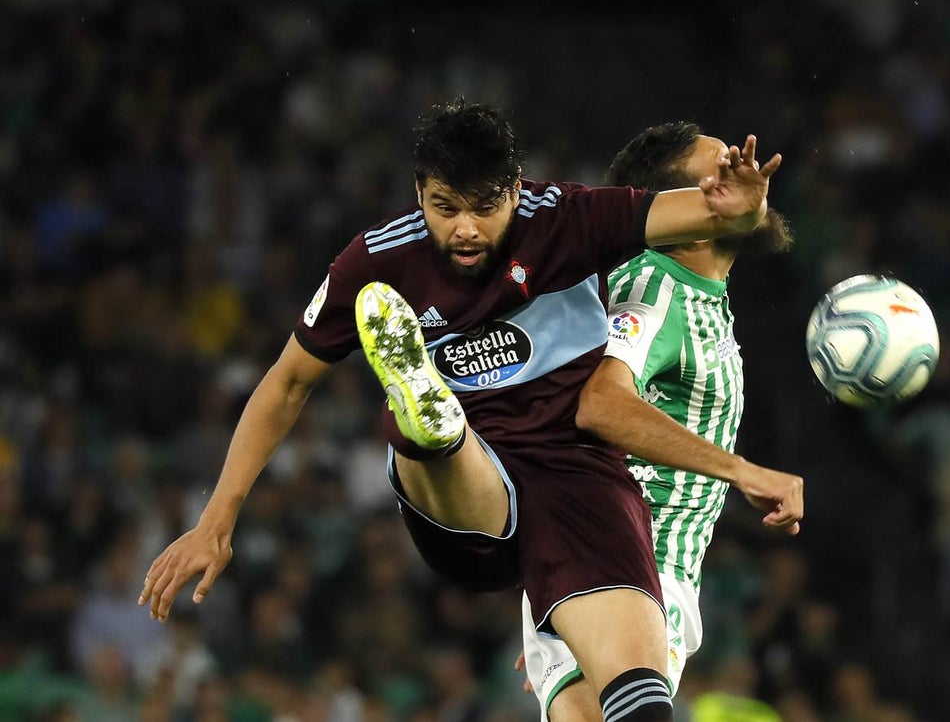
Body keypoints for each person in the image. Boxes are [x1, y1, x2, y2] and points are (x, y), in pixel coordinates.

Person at [137, 99, 803, 722]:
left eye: (484, 206)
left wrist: (742, 208)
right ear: (418, 195)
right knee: (444, 444)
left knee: (638, 701)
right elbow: (284, 385)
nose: (463, 227)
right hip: (472, 494)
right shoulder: (376, 261)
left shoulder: (571, 219)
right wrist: (215, 520)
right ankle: (431, 419)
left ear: (517, 187)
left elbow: (716, 219)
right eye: (443, 206)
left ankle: (437, 422)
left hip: (579, 489)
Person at [515, 122, 801, 720]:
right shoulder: (654, 287)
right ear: (685, 204)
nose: (747, 172)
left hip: (612, 571)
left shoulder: (699, 294)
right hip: (626, 563)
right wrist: (741, 471)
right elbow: (600, 403)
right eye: (724, 167)